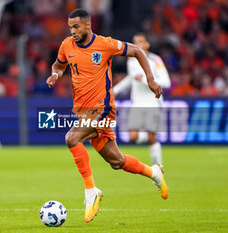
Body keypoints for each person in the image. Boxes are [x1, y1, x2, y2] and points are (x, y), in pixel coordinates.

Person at [46, 9, 168, 223]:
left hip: (102, 108)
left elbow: (138, 51)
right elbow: (59, 64)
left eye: (76, 27)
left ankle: (91, 191)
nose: (72, 31)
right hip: (82, 111)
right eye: (70, 27)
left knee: (71, 139)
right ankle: (154, 173)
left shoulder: (106, 44)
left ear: (87, 25)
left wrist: (150, 79)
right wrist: (56, 73)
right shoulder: (67, 45)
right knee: (117, 161)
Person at [113, 33, 171, 165]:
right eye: (134, 42)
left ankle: (158, 166)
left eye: (140, 41)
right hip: (137, 103)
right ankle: (153, 138)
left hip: (152, 102)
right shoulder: (131, 60)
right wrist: (116, 89)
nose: (137, 44)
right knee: (132, 136)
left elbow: (166, 82)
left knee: (152, 138)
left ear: (147, 44)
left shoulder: (156, 60)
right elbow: (131, 78)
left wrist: (145, 80)